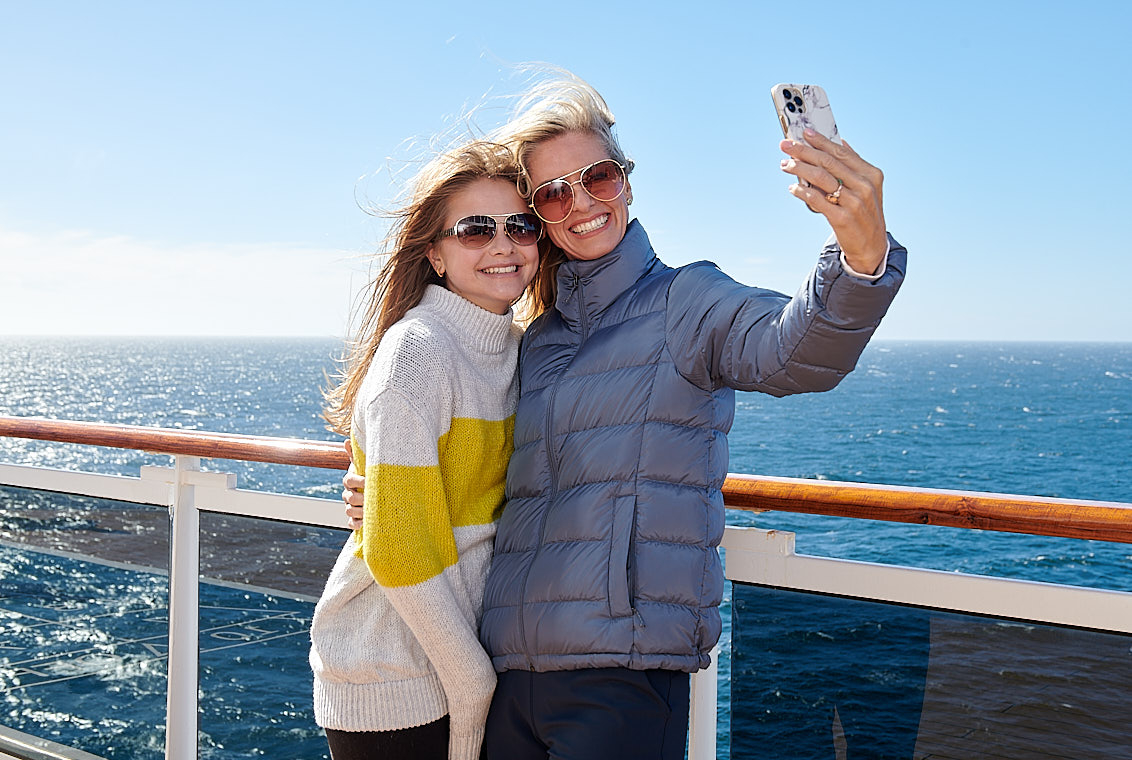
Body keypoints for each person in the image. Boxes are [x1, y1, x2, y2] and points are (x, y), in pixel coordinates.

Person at [343, 69, 906, 759]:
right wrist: (387, 494)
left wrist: (862, 256)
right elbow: (483, 464)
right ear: (541, 218)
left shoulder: (687, 301)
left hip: (621, 675)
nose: (580, 202)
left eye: (598, 178)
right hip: (509, 674)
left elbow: (795, 353)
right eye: (551, 194)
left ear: (626, 182)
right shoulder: (537, 342)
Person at [310, 139, 547, 760]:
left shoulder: (518, 351)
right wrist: (471, 679)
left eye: (520, 226)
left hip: (461, 655)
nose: (501, 245)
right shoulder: (418, 354)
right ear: (436, 254)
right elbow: (397, 544)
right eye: (474, 230)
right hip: (393, 668)